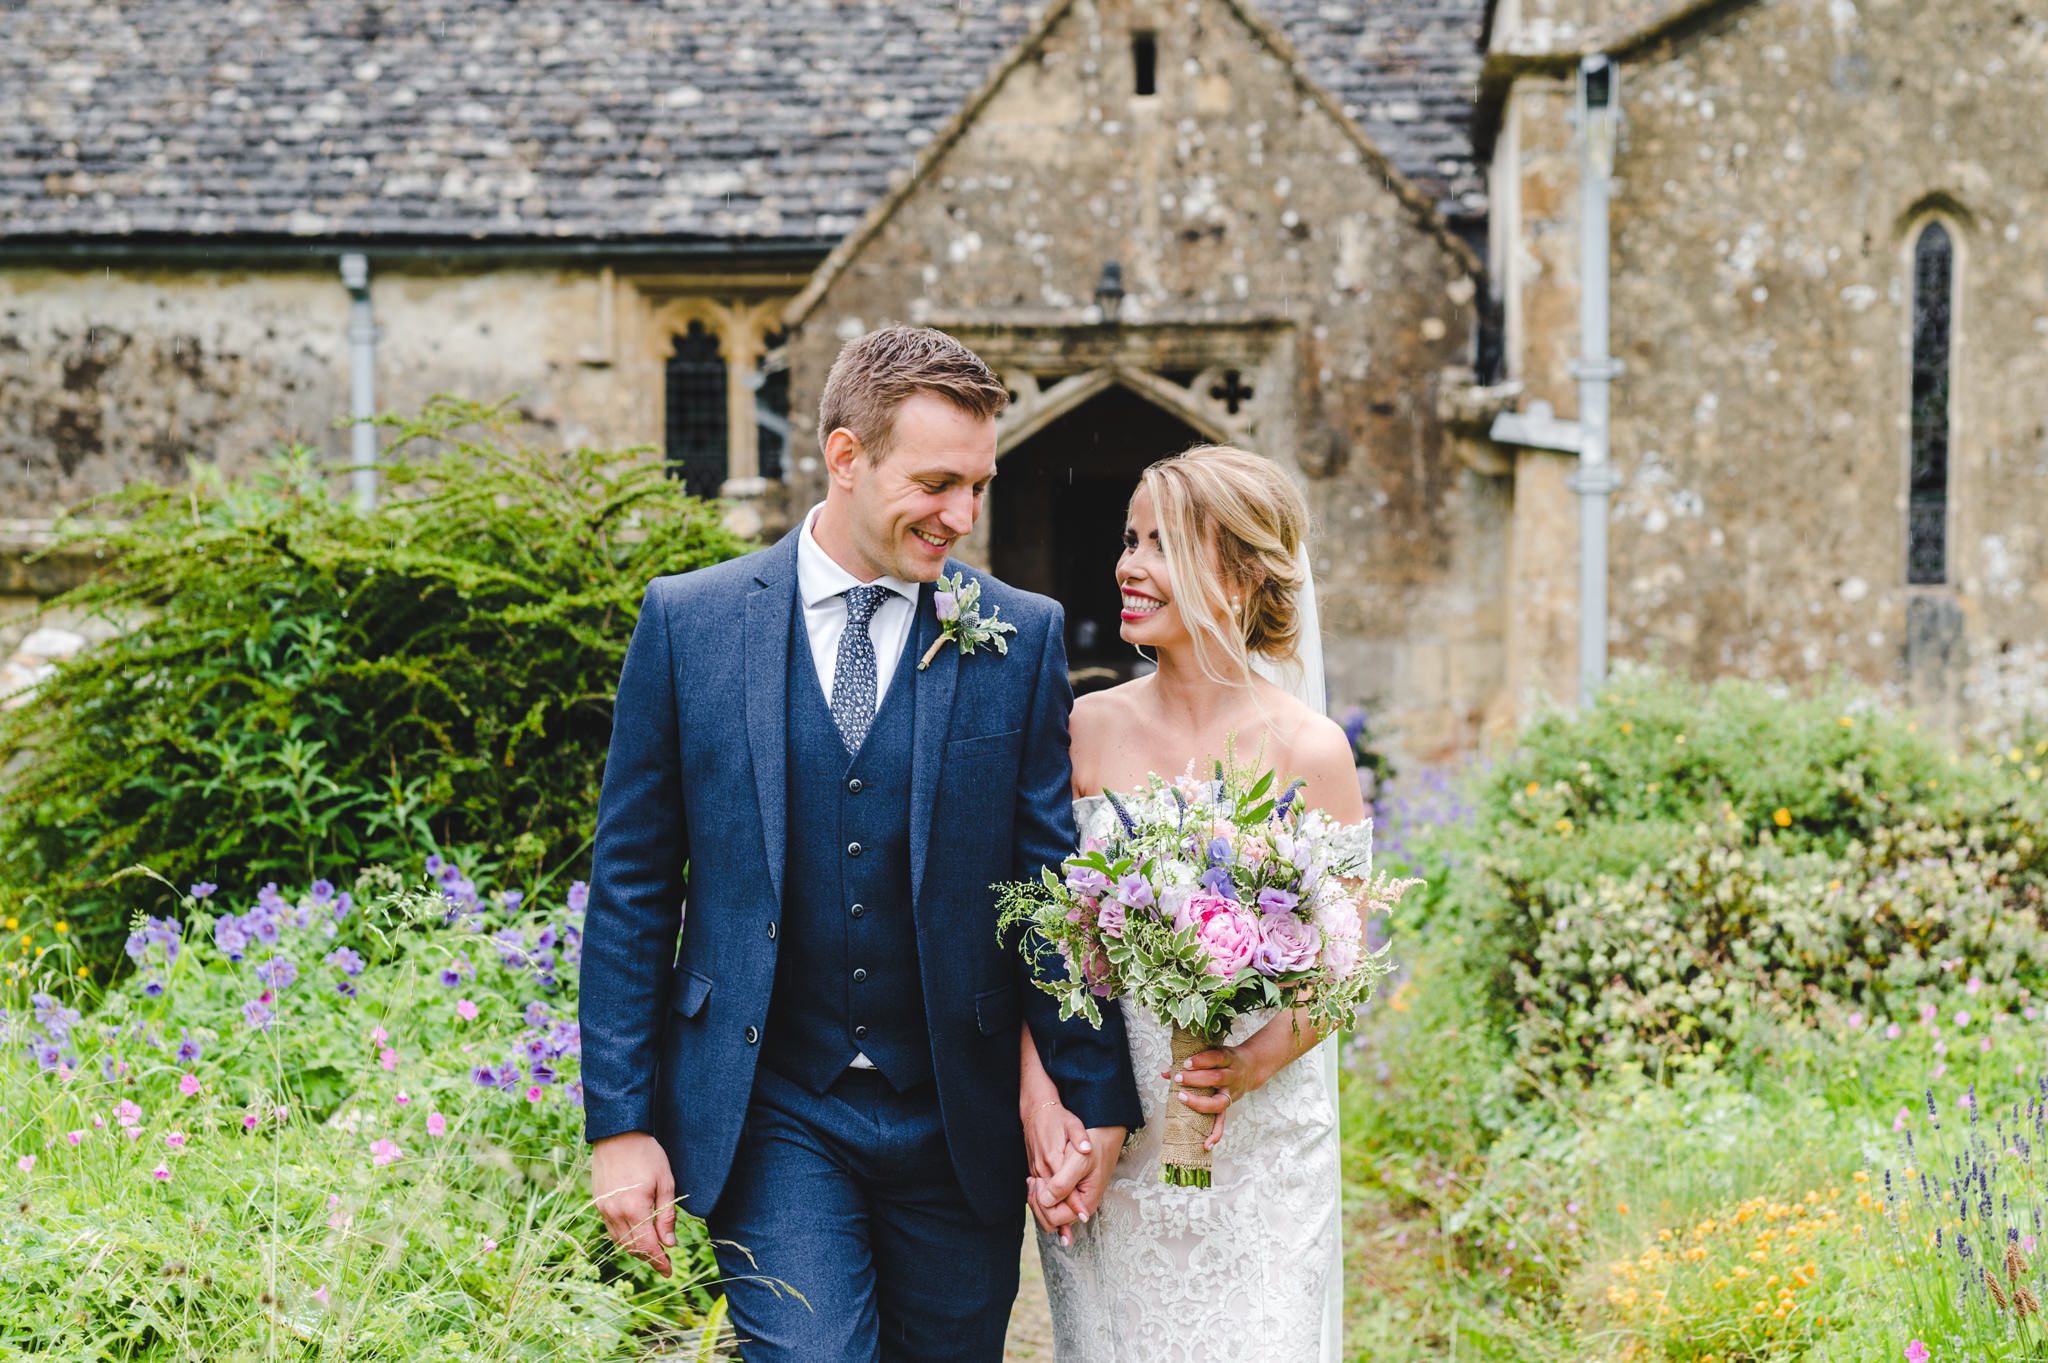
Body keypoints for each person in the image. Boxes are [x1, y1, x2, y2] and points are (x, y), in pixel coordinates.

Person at [578, 325, 1143, 1362]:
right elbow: (631, 887)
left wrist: (1092, 1091)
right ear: (845, 457)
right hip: (772, 1105)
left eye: (976, 484)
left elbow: (1049, 886)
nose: (962, 516)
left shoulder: (1017, 636)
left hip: (954, 1112)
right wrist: (620, 1124)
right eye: (935, 482)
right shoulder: (687, 624)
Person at [1023, 445, 1365, 1362]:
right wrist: (1045, 1098)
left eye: (1161, 544)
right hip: (1117, 1136)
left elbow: (1343, 968)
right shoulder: (1084, 729)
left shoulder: (1313, 751)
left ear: (1244, 573)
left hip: (1260, 1151)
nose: (1129, 566)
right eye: (1129, 540)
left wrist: (1253, 1060)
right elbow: (1043, 948)